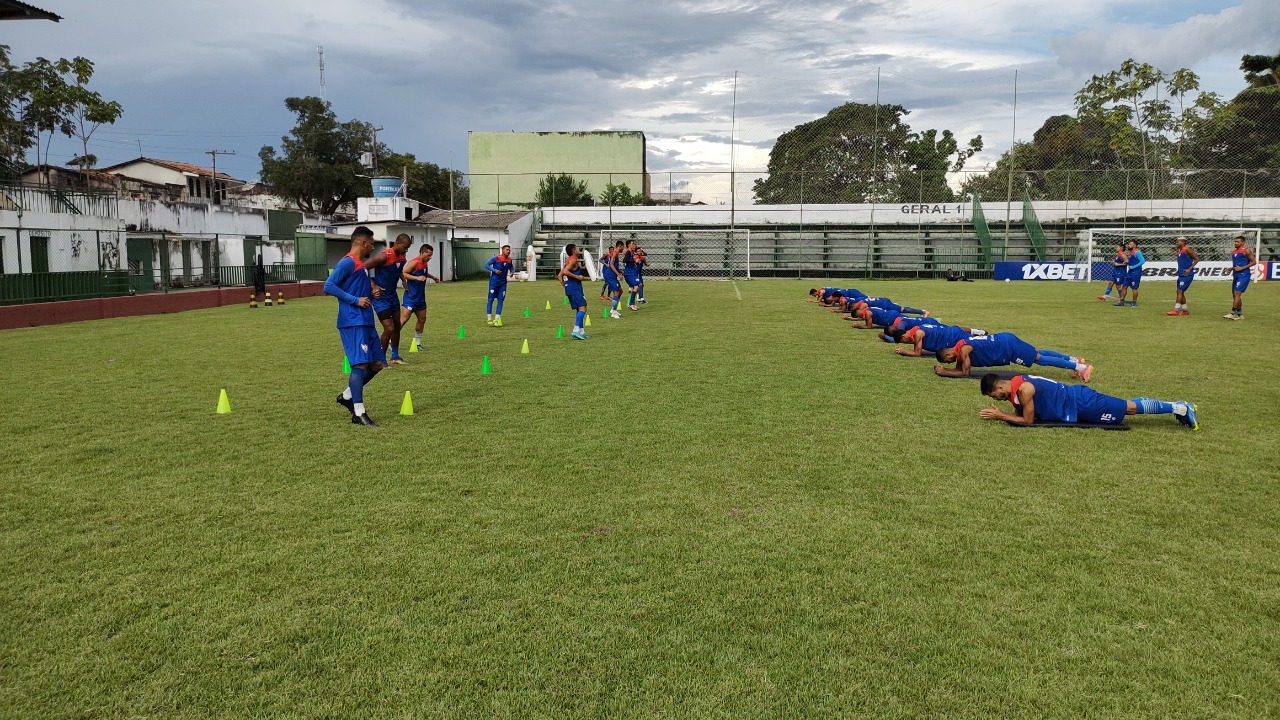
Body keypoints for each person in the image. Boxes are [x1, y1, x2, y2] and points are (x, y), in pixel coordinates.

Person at [324, 226, 389, 426]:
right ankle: (358, 413)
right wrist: (355, 300)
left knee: (378, 365)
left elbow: (358, 290)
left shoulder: (361, 266)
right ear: (362, 242)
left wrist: (372, 292)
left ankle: (347, 396)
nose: (373, 248)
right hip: (352, 321)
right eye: (371, 243)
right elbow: (328, 286)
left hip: (366, 321)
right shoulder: (347, 262)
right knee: (360, 365)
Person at [978, 373, 1198, 430]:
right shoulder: (1017, 385)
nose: (996, 398)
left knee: (1128, 408)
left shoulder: (1024, 389)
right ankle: (1175, 405)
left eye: (994, 395)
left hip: (1081, 402)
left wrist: (1000, 416)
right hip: (1075, 401)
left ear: (998, 387)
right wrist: (1005, 414)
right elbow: (1025, 412)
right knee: (1126, 405)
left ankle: (1180, 407)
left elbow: (1028, 421)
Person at [933, 332, 1093, 381]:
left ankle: (1082, 368)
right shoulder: (960, 345)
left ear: (948, 354)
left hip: (1008, 348)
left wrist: (944, 372)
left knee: (1039, 359)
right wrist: (946, 370)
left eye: (948, 360)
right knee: (1038, 352)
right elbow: (958, 369)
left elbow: (964, 373)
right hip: (1005, 340)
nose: (951, 362)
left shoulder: (962, 351)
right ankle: (1074, 360)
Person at [370, 234, 411, 365]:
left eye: (408, 248)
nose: (406, 250)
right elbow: (362, 268)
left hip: (392, 296)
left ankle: (395, 356)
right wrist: (373, 285)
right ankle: (381, 360)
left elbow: (398, 269)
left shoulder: (402, 256)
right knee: (389, 328)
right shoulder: (384, 256)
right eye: (405, 247)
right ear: (397, 243)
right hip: (381, 298)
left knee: (397, 326)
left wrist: (404, 282)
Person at [400, 244, 440, 350]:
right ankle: (390, 341)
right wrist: (417, 278)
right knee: (404, 319)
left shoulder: (424, 263)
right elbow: (403, 274)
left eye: (431, 255)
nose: (430, 257)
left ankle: (417, 342)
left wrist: (433, 277)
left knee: (422, 319)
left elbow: (424, 273)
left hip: (420, 298)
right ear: (422, 253)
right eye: (428, 255)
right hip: (411, 297)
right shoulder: (414, 262)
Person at [888, 322, 974, 357]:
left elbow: (917, 353)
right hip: (951, 332)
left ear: (903, 337)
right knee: (974, 340)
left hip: (951, 338)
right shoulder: (914, 330)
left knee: (975, 343)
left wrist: (903, 351)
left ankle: (983, 335)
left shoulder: (917, 334)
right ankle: (979, 332)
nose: (906, 343)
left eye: (903, 342)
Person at [558, 243, 589, 340]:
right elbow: (565, 272)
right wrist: (577, 277)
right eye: (577, 248)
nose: (578, 249)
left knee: (580, 308)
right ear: (573, 250)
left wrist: (566, 286)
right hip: (575, 288)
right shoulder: (573, 260)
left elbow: (559, 276)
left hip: (571, 288)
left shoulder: (568, 260)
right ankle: (576, 330)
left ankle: (581, 331)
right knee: (583, 308)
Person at [1224, 235, 1256, 320]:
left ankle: (1233, 313)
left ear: (1242, 242)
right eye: (1235, 241)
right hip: (1236, 275)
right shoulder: (1234, 252)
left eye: (1237, 241)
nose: (1235, 243)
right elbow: (1237, 264)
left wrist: (1242, 268)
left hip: (1244, 275)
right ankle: (1240, 314)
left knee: (1237, 293)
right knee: (1235, 295)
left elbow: (1254, 262)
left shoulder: (1246, 251)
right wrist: (1230, 269)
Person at [1168, 237, 1200, 316]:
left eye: (1178, 242)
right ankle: (1185, 311)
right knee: (1179, 292)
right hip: (1181, 274)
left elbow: (1197, 258)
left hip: (1187, 275)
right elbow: (1182, 263)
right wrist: (1178, 271)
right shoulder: (1179, 252)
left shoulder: (1187, 249)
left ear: (1183, 242)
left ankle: (1176, 310)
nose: (1176, 243)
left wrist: (1189, 269)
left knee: (1180, 291)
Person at [484, 244, 515, 326]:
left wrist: (512, 272)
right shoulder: (496, 258)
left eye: (509, 250)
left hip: (503, 283)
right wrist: (494, 270)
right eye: (507, 249)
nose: (508, 251)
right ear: (503, 250)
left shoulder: (509, 260)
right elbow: (486, 265)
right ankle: (489, 319)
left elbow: (511, 267)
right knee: (490, 300)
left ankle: (496, 320)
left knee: (501, 301)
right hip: (494, 283)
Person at [1114, 239, 1145, 307]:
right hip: (1130, 273)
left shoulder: (1137, 252)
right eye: (1129, 244)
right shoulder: (1131, 253)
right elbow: (1132, 261)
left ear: (1135, 245)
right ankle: (1121, 301)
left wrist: (1133, 267)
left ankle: (1134, 302)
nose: (1129, 245)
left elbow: (1142, 261)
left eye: (1130, 244)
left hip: (1136, 273)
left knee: (1134, 288)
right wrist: (1126, 262)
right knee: (1124, 286)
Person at [601, 240, 625, 318]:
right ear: (620, 246)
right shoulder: (615, 252)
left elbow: (613, 265)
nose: (623, 249)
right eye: (623, 247)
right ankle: (613, 312)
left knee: (620, 291)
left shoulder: (616, 253)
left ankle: (613, 309)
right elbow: (611, 264)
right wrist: (618, 274)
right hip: (611, 276)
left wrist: (619, 270)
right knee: (617, 292)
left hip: (613, 275)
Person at [852, 297, 928, 317]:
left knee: (902, 309)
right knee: (900, 311)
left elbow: (862, 311)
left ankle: (923, 312)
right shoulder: (860, 301)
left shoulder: (861, 305)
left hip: (884, 304)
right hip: (883, 302)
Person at [622, 240, 643, 311]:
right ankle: (631, 304)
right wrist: (633, 261)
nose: (634, 245)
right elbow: (624, 260)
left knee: (639, 284)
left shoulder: (632, 252)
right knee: (636, 286)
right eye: (632, 243)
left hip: (633, 272)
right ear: (629, 245)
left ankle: (632, 303)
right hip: (629, 273)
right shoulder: (628, 252)